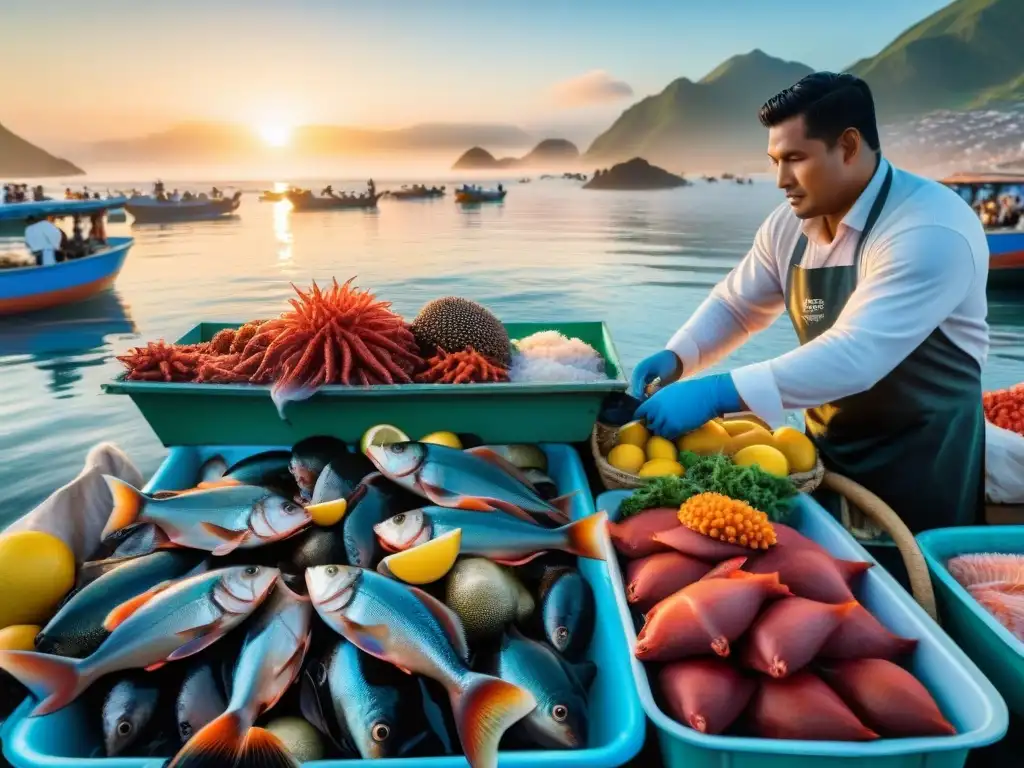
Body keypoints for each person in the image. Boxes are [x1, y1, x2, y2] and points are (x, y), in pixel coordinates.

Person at [630, 72, 989, 563]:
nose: (780, 181)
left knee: (909, 599)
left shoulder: (930, 229)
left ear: (847, 146)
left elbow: (857, 355)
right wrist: (678, 356)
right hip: (821, 455)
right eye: (775, 161)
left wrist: (717, 392)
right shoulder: (791, 224)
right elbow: (737, 305)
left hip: (923, 466)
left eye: (796, 159)